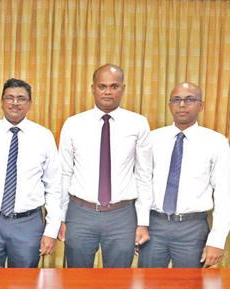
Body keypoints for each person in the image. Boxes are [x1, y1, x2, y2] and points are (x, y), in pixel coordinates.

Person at [58, 64, 153, 268]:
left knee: (118, 280)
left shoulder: (138, 123)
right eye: (102, 86)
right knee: (77, 280)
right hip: (80, 213)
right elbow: (64, 173)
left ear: (123, 88)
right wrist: (61, 217)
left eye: (114, 86)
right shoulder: (73, 124)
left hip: (122, 215)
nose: (108, 91)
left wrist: (142, 221)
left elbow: (144, 175)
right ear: (93, 88)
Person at [0, 78, 62, 267]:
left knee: (24, 282)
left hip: (28, 223)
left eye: (21, 98)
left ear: (30, 103)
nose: (15, 103)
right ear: (2, 102)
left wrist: (51, 231)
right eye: (9, 98)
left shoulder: (43, 137)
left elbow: (54, 186)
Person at [138, 82, 229, 268]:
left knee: (190, 284)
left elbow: (224, 193)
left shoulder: (216, 142)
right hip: (155, 225)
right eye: (176, 100)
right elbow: (141, 182)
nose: (182, 105)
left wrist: (217, 240)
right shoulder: (152, 139)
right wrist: (140, 224)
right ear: (170, 105)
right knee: (148, 282)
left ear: (201, 105)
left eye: (189, 99)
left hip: (192, 228)